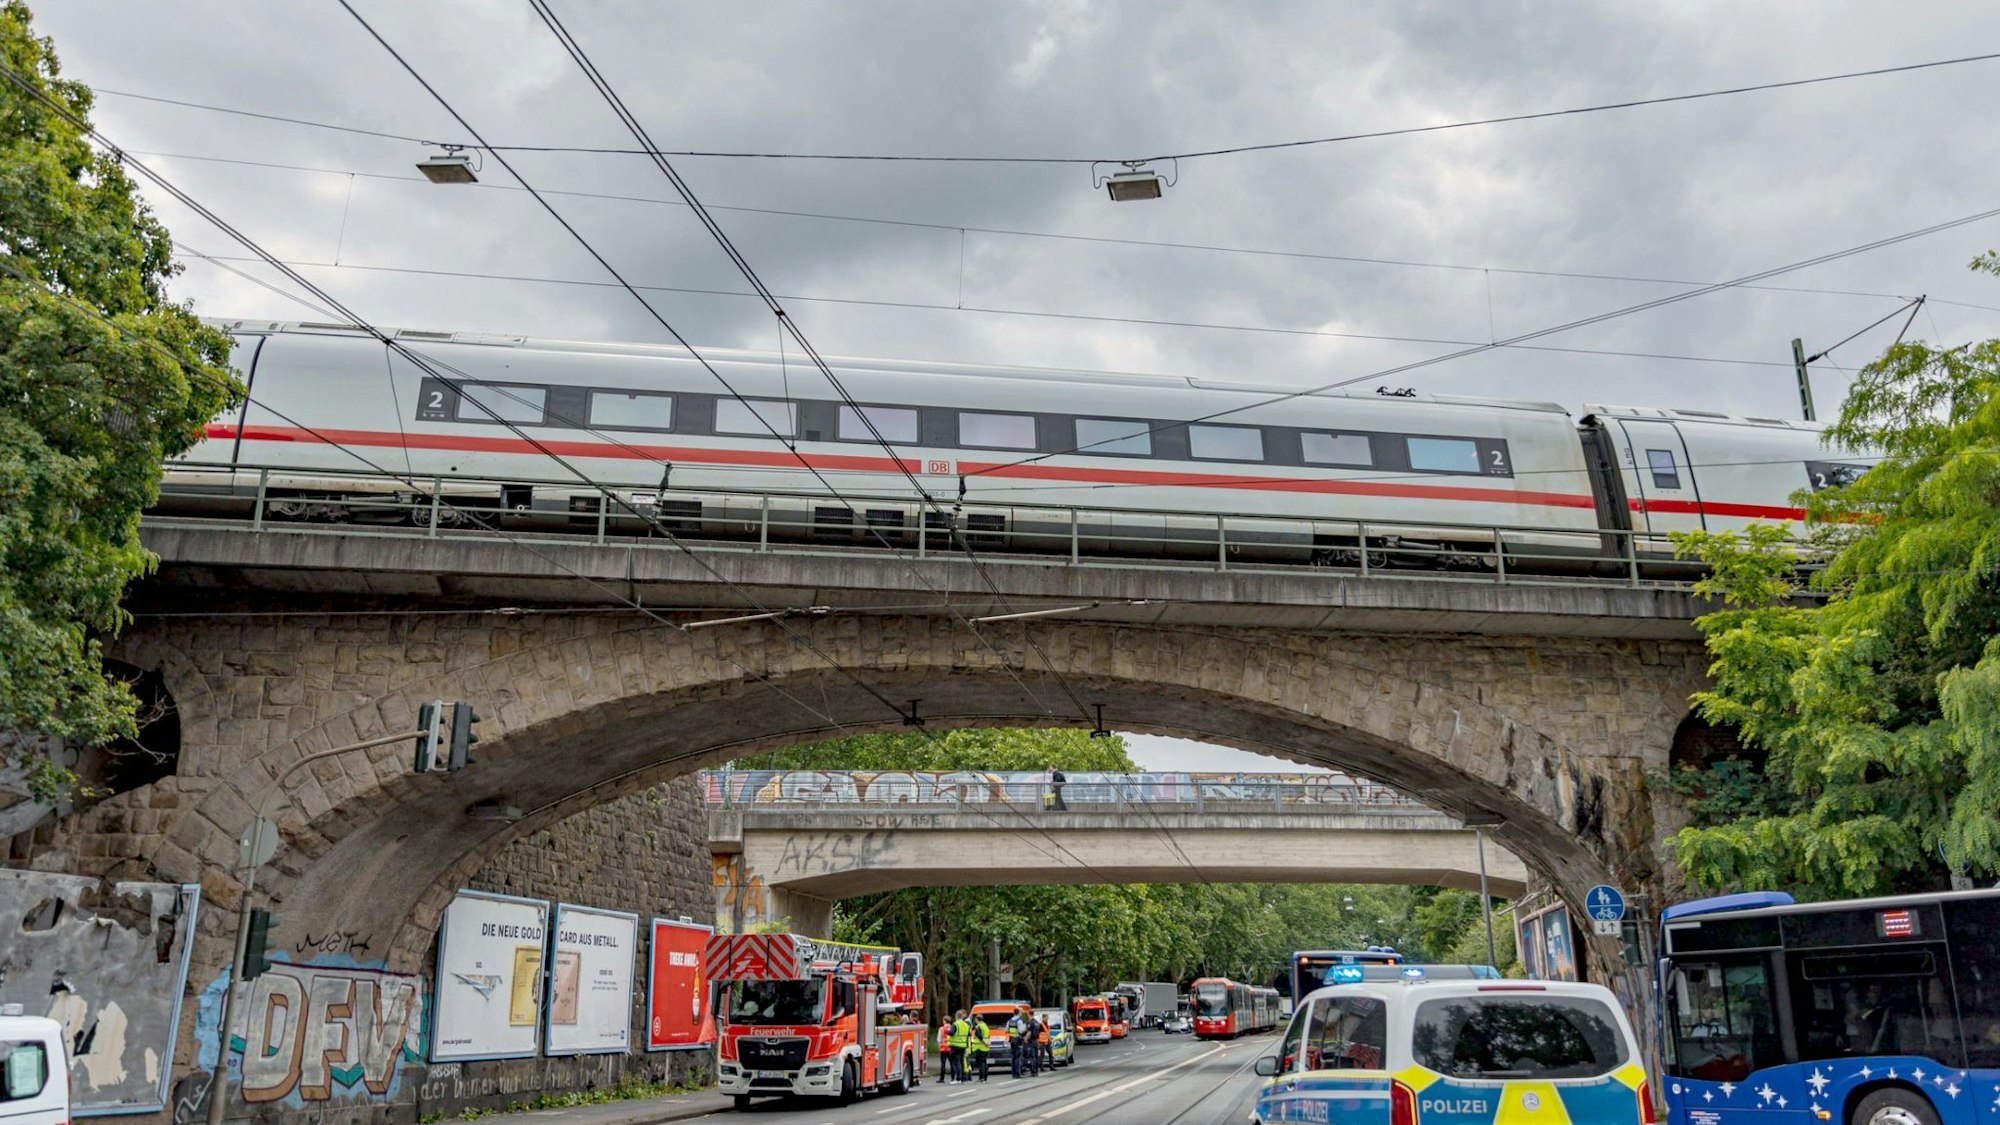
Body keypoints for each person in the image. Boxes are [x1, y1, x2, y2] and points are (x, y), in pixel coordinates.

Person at [946, 1009, 971, 1083]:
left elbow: (951, 1033)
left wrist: (947, 1030)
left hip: (955, 1045)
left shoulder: (955, 1024)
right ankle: (963, 1077)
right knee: (961, 1062)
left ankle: (958, 1079)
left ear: (956, 1016)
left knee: (956, 1063)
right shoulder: (966, 1025)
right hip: (963, 1045)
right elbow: (968, 1035)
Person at [1008, 1006, 1033, 1077]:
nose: (1021, 1013)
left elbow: (1007, 1030)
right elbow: (1021, 1031)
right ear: (1018, 1013)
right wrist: (1025, 1027)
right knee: (1018, 1057)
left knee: (1013, 1057)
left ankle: (1013, 1073)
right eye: (1021, 1012)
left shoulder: (1009, 1021)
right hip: (1018, 1040)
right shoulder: (1019, 1021)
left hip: (1012, 1040)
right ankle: (1018, 1073)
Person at [969, 1014, 991, 1081]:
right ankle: (985, 1077)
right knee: (984, 1062)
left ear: (976, 1020)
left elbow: (979, 1036)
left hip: (979, 1047)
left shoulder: (978, 1027)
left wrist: (984, 1042)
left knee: (980, 1063)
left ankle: (982, 1077)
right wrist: (987, 1043)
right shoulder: (985, 1026)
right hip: (985, 1047)